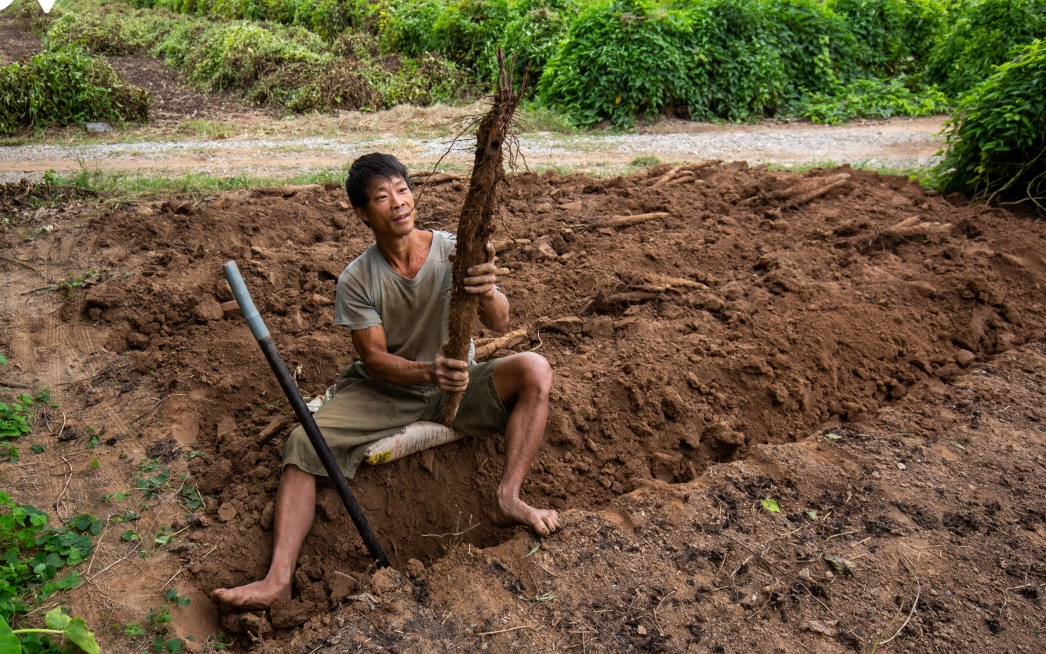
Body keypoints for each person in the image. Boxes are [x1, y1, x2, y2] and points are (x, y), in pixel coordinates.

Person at [212, 153, 559, 610]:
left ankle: (508, 497)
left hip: (457, 383)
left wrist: (488, 289)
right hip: (385, 391)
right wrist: (427, 372)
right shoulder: (358, 279)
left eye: (402, 190)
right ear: (362, 212)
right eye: (382, 196)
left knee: (536, 368)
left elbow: (497, 322)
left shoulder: (453, 249)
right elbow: (375, 360)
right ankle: (278, 578)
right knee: (303, 442)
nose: (398, 203)